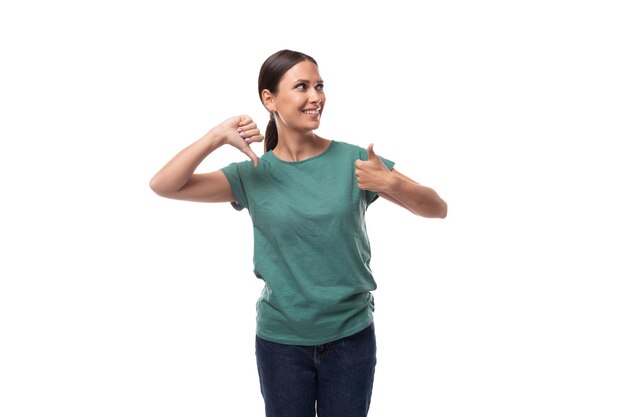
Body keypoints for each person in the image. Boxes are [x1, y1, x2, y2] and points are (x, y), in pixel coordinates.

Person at [150, 49, 447, 417]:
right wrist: (216, 137)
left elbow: (436, 208)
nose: (316, 97)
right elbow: (164, 185)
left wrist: (390, 183)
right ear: (269, 99)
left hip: (350, 338)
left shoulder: (354, 161)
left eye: (319, 86)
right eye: (302, 86)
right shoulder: (252, 174)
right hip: (281, 344)